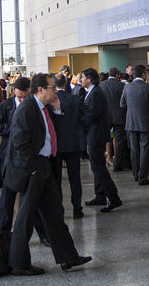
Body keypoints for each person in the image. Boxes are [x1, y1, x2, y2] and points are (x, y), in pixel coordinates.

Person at [4, 73, 92, 275]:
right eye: (52, 87)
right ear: (40, 89)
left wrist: (58, 109)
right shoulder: (27, 108)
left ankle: (68, 257)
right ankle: (18, 263)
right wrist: (32, 167)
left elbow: (54, 133)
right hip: (34, 169)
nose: (55, 90)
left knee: (54, 214)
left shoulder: (43, 108)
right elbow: (19, 142)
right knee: (25, 217)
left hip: (44, 166)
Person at [0, 77, 49, 242]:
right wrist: (16, 128)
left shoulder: (36, 107)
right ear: (13, 93)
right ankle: (1, 236)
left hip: (30, 158)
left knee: (32, 201)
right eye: (19, 97)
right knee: (6, 201)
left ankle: (44, 235)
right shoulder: (5, 106)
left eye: (25, 97)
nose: (22, 100)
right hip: (10, 158)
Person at [82, 67, 123, 212]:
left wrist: (80, 126)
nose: (81, 80)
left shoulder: (96, 93)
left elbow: (91, 115)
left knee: (98, 167)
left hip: (96, 135)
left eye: (83, 77)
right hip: (95, 134)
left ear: (89, 79)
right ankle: (100, 195)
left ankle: (113, 197)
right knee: (96, 165)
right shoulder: (92, 92)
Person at [54, 72, 86, 218]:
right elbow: (87, 115)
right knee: (75, 178)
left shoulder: (50, 101)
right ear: (66, 83)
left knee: (56, 179)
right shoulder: (75, 99)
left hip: (56, 145)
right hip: (73, 142)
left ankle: (58, 208)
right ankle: (77, 208)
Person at [120, 64, 149, 185]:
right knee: (145, 150)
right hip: (145, 122)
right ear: (144, 74)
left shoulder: (127, 87)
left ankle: (136, 174)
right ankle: (143, 177)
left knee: (134, 150)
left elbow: (122, 104)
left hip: (131, 123)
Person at [99, 67, 129, 172]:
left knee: (106, 138)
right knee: (119, 140)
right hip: (119, 116)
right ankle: (117, 164)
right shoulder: (122, 85)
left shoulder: (101, 85)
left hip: (105, 116)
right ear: (117, 75)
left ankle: (107, 158)